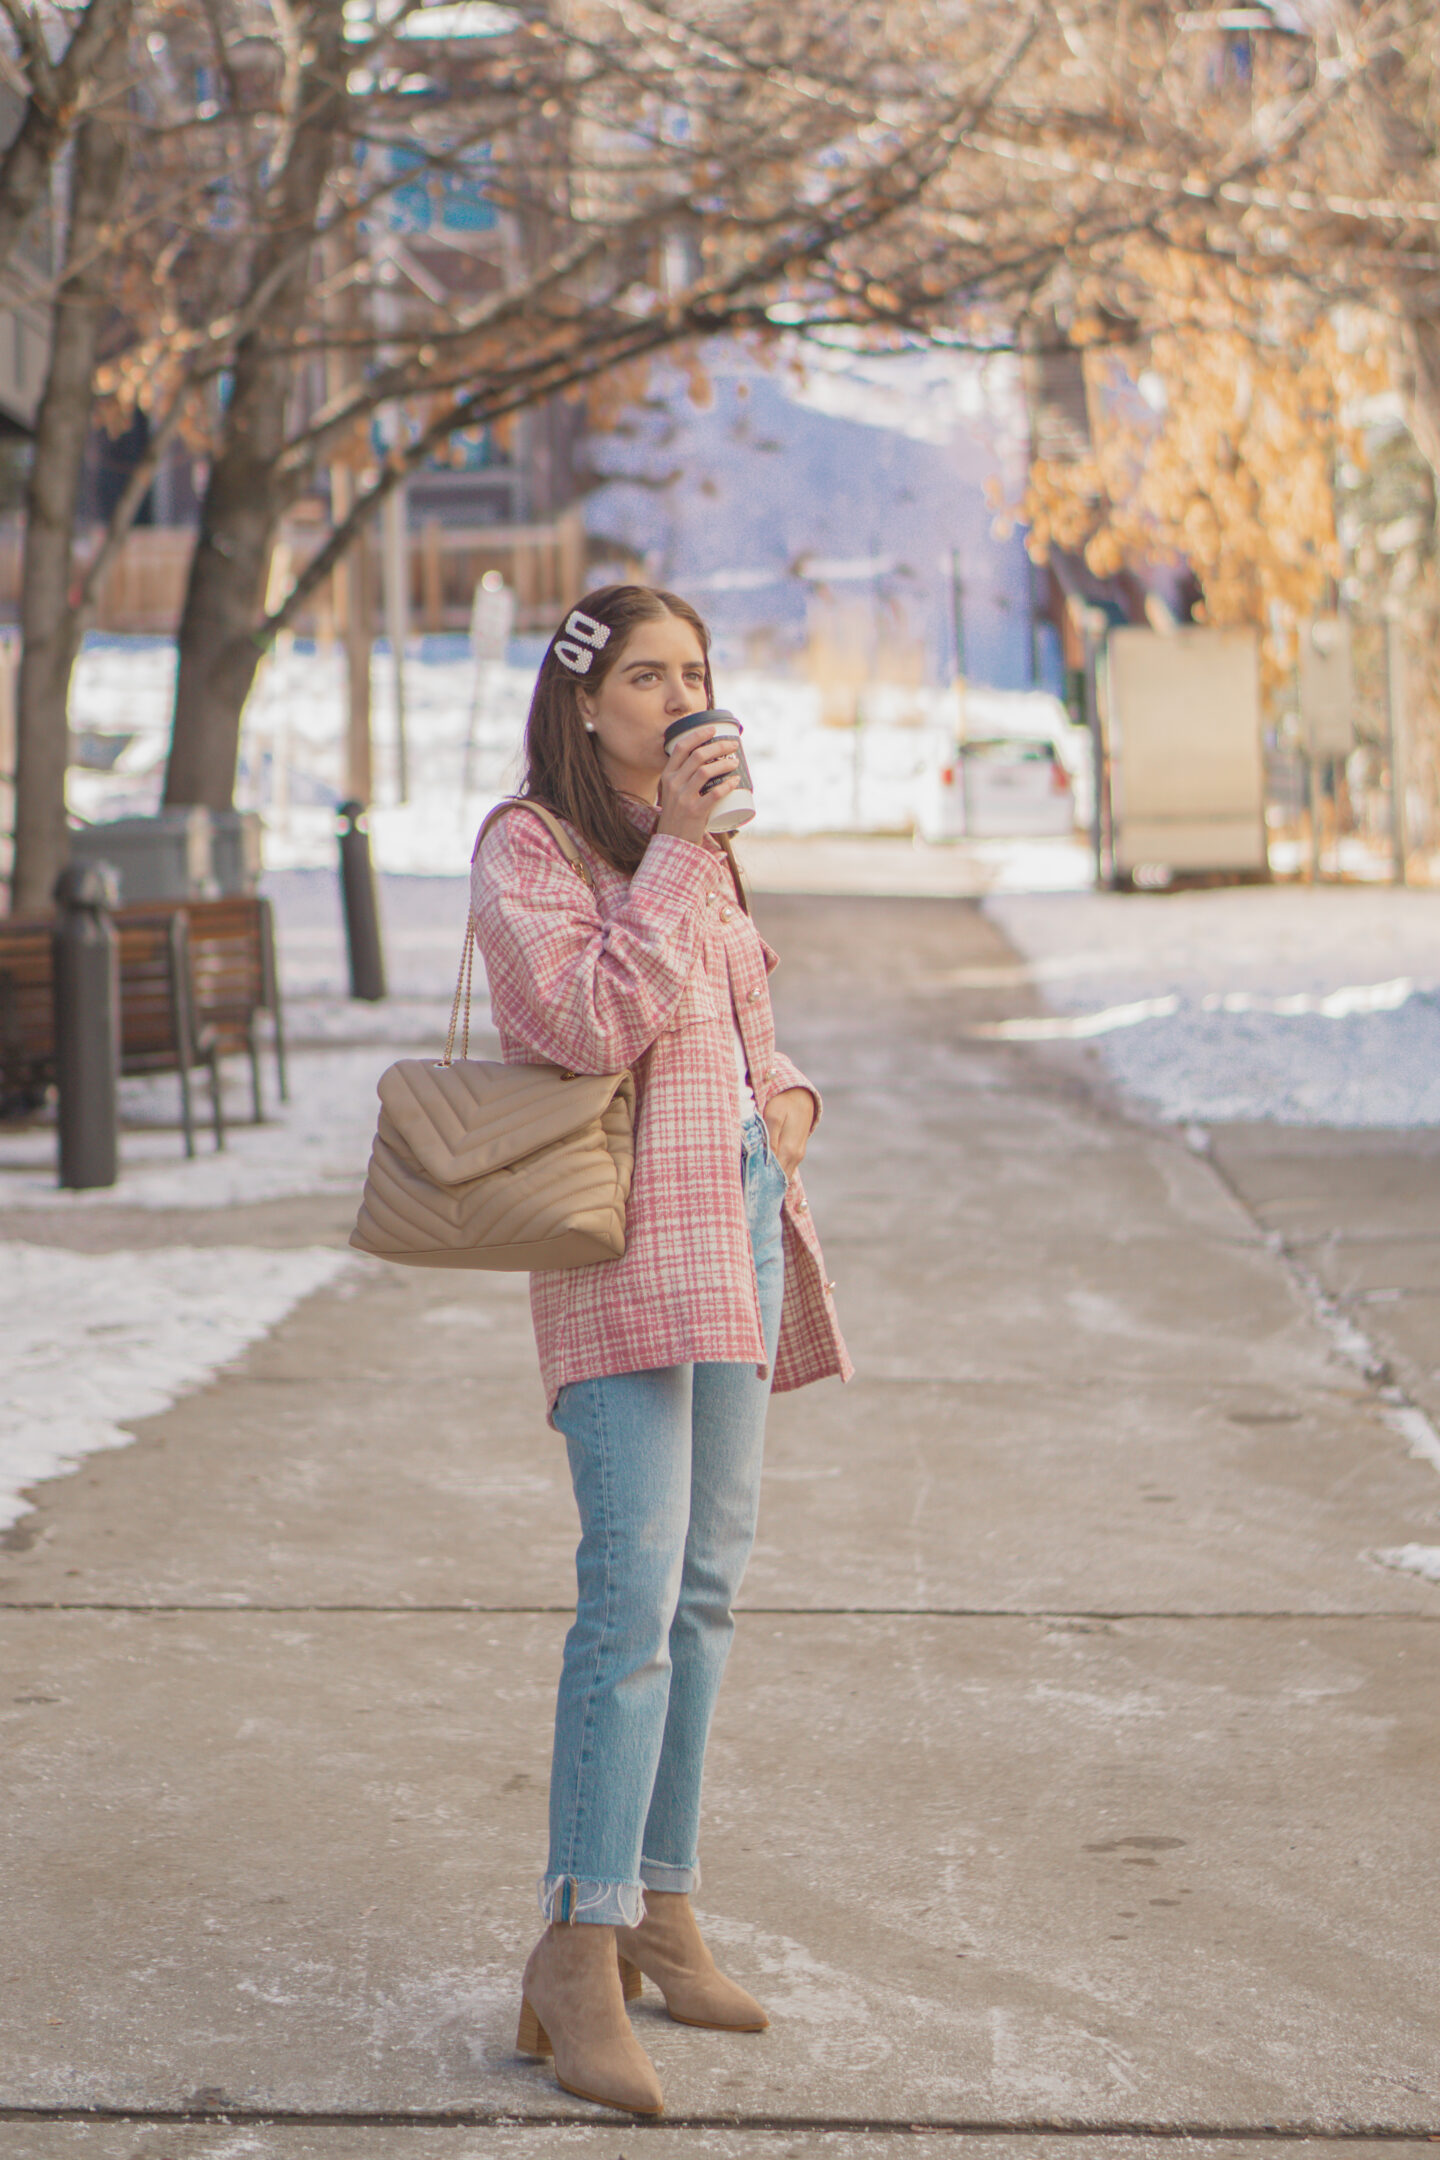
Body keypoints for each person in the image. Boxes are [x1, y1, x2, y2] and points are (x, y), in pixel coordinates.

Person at [471, 583, 852, 2117]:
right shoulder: (532, 850)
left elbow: (748, 1026)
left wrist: (794, 1103)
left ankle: (665, 1901)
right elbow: (585, 1021)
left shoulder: (695, 849)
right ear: (583, 702)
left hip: (738, 1227)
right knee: (628, 1601)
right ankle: (577, 1943)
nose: (681, 696)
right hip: (625, 1256)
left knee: (705, 1596)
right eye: (647, 675)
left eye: (694, 669)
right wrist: (686, 849)